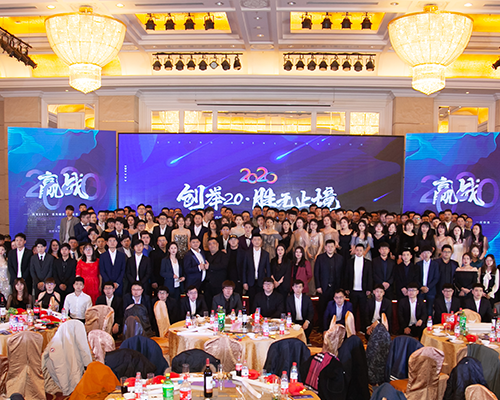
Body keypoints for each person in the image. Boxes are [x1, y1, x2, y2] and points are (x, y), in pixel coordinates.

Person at [345, 243, 373, 331]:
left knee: (363, 310)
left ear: (364, 252)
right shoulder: (349, 262)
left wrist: (369, 288)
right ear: (354, 251)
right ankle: (351, 328)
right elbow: (346, 275)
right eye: (357, 250)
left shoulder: (368, 263)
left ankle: (363, 329)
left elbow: (370, 277)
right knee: (352, 310)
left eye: (361, 250)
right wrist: (346, 288)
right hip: (352, 290)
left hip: (363, 291)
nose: (359, 252)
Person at [243, 234, 271, 305]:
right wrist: (244, 282)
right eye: (255, 240)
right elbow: (244, 269)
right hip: (250, 281)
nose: (257, 241)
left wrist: (268, 283)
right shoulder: (247, 253)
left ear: (261, 241)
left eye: (258, 240)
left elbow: (268, 269)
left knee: (261, 300)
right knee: (251, 301)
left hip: (262, 281)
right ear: (252, 241)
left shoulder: (266, 254)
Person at [416, 245, 440, 315]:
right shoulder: (418, 264)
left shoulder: (435, 264)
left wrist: (428, 287)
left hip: (431, 290)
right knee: (420, 309)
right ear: (422, 254)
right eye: (424, 253)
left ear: (431, 254)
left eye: (428, 253)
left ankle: (429, 321)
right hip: (420, 290)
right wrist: (421, 287)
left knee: (430, 310)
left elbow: (436, 278)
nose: (426, 254)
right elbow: (416, 277)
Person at [205, 238, 229, 307]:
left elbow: (223, 265)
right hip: (208, 285)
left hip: (219, 284)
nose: (212, 245)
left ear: (217, 245)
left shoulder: (223, 255)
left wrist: (210, 266)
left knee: (219, 305)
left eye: (213, 243)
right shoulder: (206, 255)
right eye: (210, 244)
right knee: (208, 304)